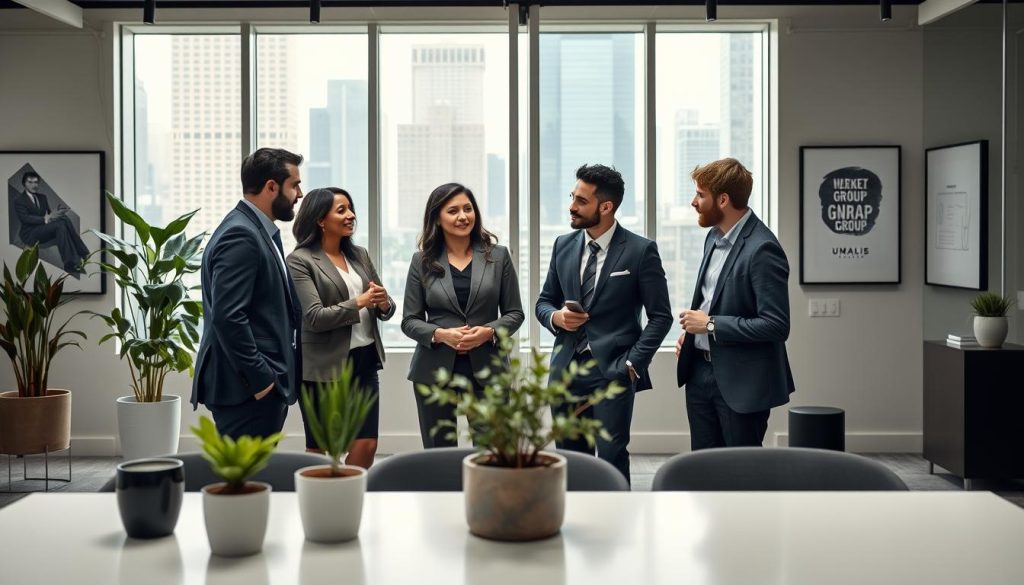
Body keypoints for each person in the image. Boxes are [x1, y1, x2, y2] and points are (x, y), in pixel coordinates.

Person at [535, 164, 672, 481]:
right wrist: (557, 318)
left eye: (581, 200)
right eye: (573, 196)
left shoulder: (640, 251)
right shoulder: (563, 245)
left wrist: (633, 363)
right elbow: (544, 302)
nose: (572, 206)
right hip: (566, 370)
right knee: (569, 460)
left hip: (614, 370)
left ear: (606, 206)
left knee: (611, 457)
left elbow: (661, 316)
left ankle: (617, 524)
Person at [675, 158, 795, 450]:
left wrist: (710, 325)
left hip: (743, 384)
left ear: (724, 199)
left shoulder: (763, 248)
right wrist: (695, 333)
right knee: (703, 470)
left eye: (701, 195)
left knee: (741, 477)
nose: (694, 202)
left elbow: (776, 325)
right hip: (699, 374)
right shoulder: (712, 239)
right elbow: (714, 299)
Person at [190, 148, 304, 439]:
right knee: (247, 480)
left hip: (254, 388)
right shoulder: (241, 235)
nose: (300, 194)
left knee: (253, 479)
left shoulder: (256, 229)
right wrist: (261, 380)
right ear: (271, 186)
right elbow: (228, 317)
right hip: (246, 391)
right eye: (294, 185)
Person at [402, 183, 524, 449]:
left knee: (492, 452)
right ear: (437, 217)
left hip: (488, 367)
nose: (463, 216)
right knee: (437, 454)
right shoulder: (421, 261)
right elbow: (409, 321)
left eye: (468, 209)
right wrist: (440, 334)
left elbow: (515, 313)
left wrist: (488, 332)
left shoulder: (498, 256)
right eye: (453, 210)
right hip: (434, 369)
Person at [286, 187, 394, 469]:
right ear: (320, 219)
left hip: (365, 359)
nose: (351, 216)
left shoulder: (359, 254)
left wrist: (383, 303)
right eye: (341, 210)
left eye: (350, 208)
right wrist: (359, 302)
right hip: (322, 365)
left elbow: (384, 305)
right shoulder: (300, 260)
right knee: (320, 446)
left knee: (367, 443)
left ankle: (347, 492)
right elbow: (314, 317)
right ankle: (320, 500)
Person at [11, 171, 89, 275]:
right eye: (30, 182)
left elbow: (48, 214)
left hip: (43, 229)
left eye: (35, 182)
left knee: (63, 218)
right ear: (24, 183)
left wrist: (57, 212)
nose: (33, 185)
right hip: (30, 233)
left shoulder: (42, 197)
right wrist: (46, 219)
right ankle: (71, 262)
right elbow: (25, 219)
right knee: (60, 225)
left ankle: (81, 252)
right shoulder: (19, 200)